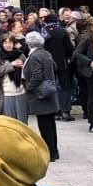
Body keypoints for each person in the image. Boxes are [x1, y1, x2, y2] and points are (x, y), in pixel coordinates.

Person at [23, 30, 61, 163]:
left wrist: (28, 89)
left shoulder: (34, 56)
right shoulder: (46, 53)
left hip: (41, 95)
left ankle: (49, 153)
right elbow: (54, 66)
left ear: (29, 44)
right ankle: (54, 151)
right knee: (50, 124)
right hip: (50, 92)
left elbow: (36, 76)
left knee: (44, 126)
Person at [0, 34, 28, 121]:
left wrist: (23, 68)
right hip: (7, 93)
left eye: (10, 42)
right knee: (10, 122)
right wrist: (11, 65)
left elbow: (28, 71)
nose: (7, 45)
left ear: (13, 44)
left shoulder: (21, 55)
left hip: (21, 92)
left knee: (22, 121)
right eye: (5, 43)